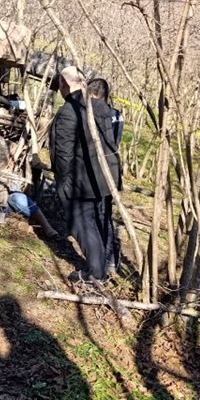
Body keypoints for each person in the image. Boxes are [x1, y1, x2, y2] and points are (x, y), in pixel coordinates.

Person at [50, 66, 121, 286]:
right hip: (103, 179)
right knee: (97, 220)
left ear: (64, 83)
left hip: (81, 181)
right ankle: (105, 265)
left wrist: (64, 183)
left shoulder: (70, 110)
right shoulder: (102, 107)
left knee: (82, 224)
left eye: (59, 86)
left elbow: (63, 153)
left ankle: (95, 273)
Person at [88, 77, 123, 276]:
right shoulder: (116, 114)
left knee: (99, 215)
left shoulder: (98, 114)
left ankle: (106, 259)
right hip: (111, 170)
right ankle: (108, 259)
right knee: (104, 214)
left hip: (99, 170)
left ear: (93, 94)